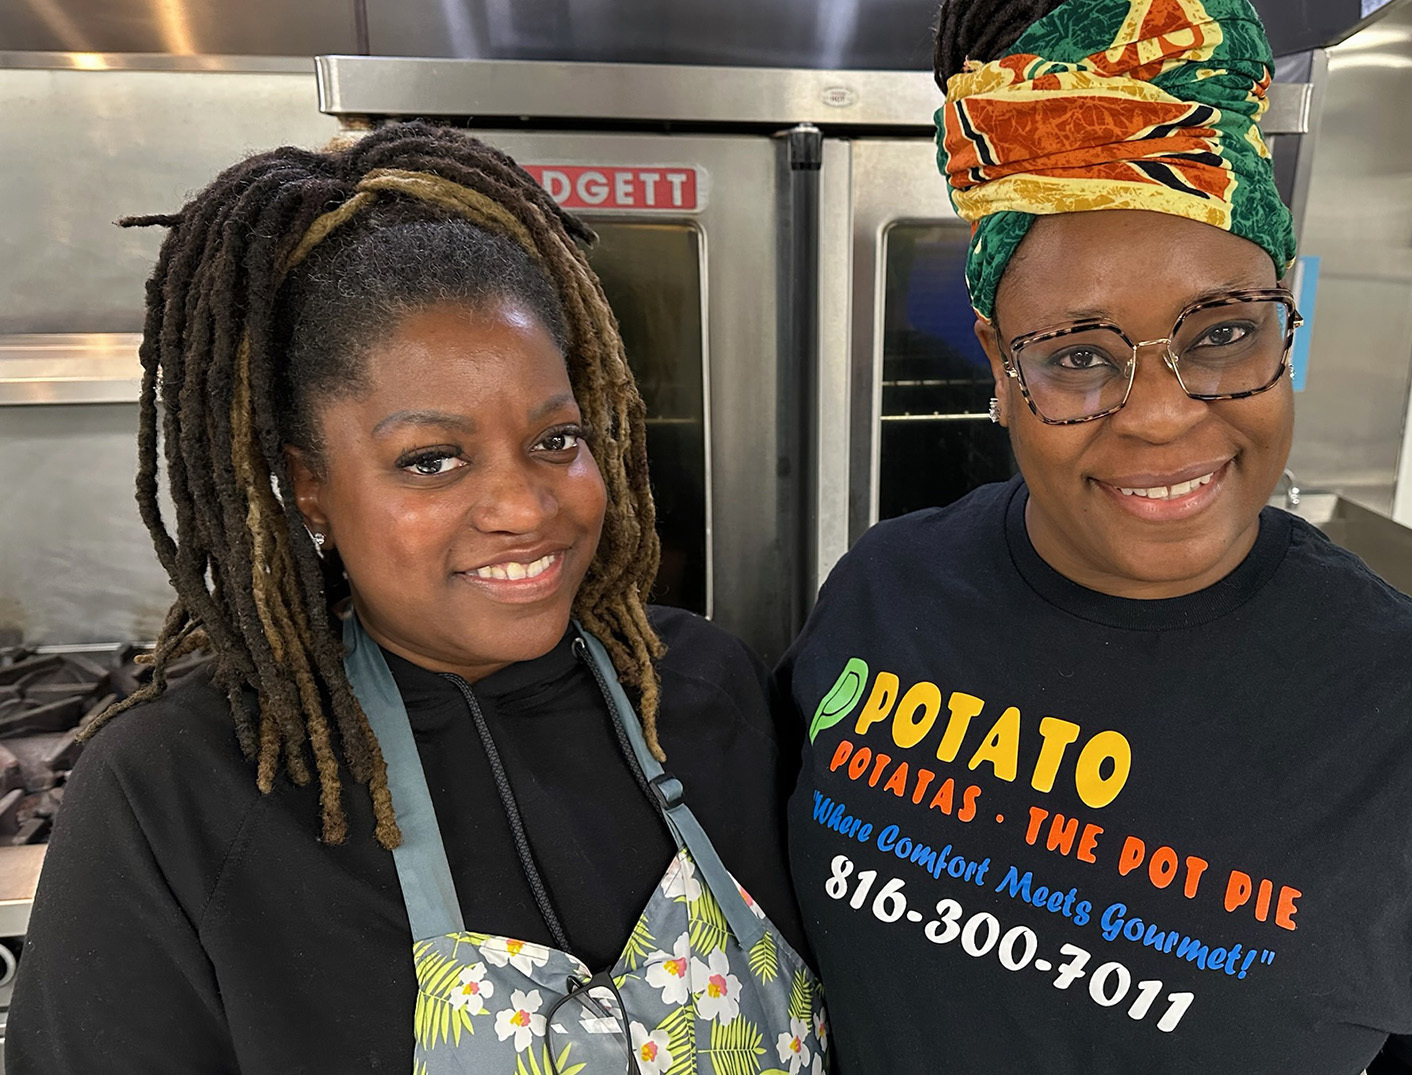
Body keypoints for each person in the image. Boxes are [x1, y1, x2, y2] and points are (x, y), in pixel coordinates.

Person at [775, 2, 1412, 1072]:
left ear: (1281, 315)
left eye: (1220, 334)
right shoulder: (883, 590)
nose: (1160, 413)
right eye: (1075, 353)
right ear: (997, 362)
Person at [8, 123, 825, 1075]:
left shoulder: (701, 689)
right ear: (308, 483)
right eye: (430, 460)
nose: (525, 507)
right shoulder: (178, 792)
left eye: (555, 440)